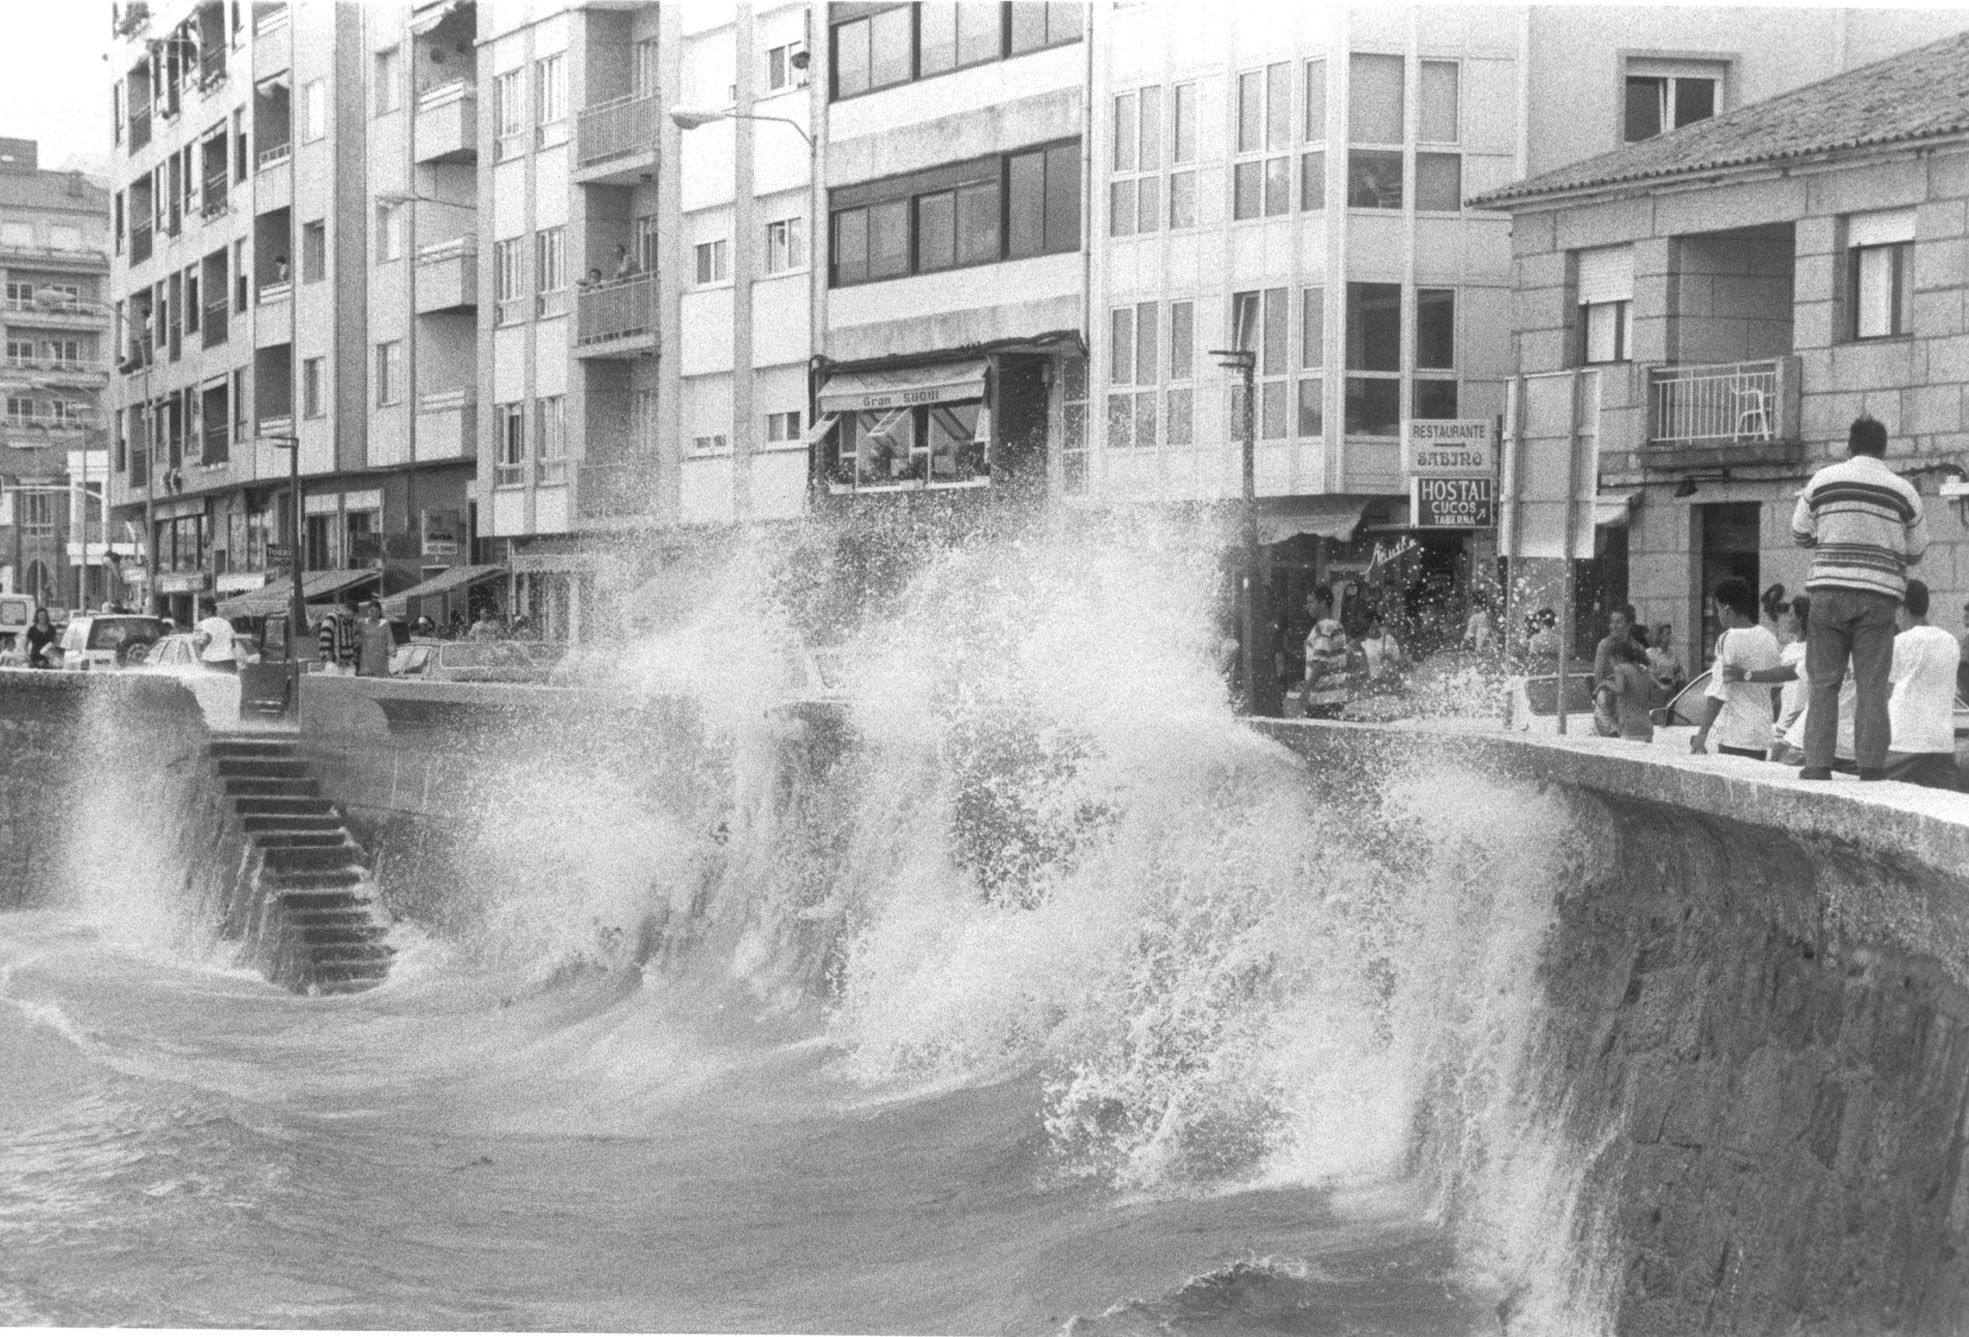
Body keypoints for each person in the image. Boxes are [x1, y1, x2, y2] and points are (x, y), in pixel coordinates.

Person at [1791, 414, 1927, 781]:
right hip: (1879, 597)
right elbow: (1917, 550)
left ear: (1849, 447)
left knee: (1824, 683)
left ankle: (1817, 765)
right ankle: (1870, 769)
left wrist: (1831, 542)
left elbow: (1799, 533)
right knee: (1871, 685)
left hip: (1828, 592)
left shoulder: (1823, 480)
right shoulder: (1903, 491)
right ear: (1884, 448)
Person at [1689, 576, 1782, 759]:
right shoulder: (1770, 638)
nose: (1718, 615)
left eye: (1718, 609)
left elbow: (1718, 692)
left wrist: (1702, 733)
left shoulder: (1727, 639)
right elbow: (1776, 687)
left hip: (1735, 735)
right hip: (1762, 733)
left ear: (1727, 609)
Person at [1885, 578, 1961, 790]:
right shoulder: (1951, 641)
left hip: (1902, 741)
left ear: (1901, 608)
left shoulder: (1899, 642)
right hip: (1941, 742)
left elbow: (1885, 693)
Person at [1605, 637, 1655, 743]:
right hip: (1647, 725)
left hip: (1630, 726)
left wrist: (1605, 684)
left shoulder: (1620, 668)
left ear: (1618, 656)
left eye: (1610, 659)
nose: (1610, 663)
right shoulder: (1643, 670)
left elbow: (1620, 688)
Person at [192, 600, 238, 674]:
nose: (202, 616)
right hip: (230, 662)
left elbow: (199, 646)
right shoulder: (227, 623)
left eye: (202, 613)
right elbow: (233, 643)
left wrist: (203, 645)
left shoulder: (201, 625)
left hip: (212, 662)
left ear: (208, 611)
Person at [1359, 613, 1405, 681]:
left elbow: (1397, 659)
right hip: (1376, 682)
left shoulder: (1388, 639)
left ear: (1377, 623)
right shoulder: (1363, 643)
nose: (1371, 627)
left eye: (1373, 623)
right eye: (1369, 625)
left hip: (1388, 680)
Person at [356, 599, 393, 678]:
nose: (374, 614)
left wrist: (392, 650)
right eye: (371, 611)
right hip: (366, 664)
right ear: (368, 611)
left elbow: (390, 640)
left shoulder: (385, 624)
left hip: (381, 663)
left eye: (376, 611)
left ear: (380, 612)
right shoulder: (362, 623)